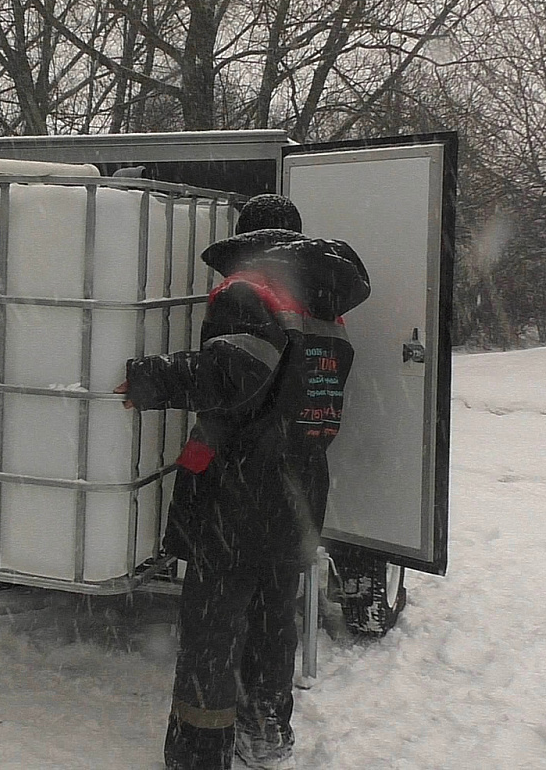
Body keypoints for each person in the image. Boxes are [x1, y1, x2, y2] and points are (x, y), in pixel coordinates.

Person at [119, 194, 369, 770]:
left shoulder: (248, 290)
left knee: (215, 619)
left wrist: (150, 378)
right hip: (300, 482)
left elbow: (233, 374)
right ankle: (266, 732)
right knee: (274, 615)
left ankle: (200, 751)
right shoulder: (325, 304)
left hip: (240, 484)